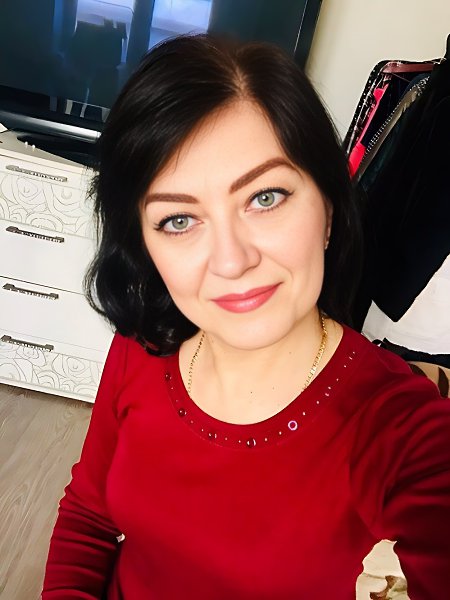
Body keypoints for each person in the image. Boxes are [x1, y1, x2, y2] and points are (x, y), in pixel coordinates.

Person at [42, 34, 450, 599]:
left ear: (329, 209)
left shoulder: (402, 430)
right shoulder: (142, 344)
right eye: (178, 220)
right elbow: (89, 514)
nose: (232, 261)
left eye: (265, 197)